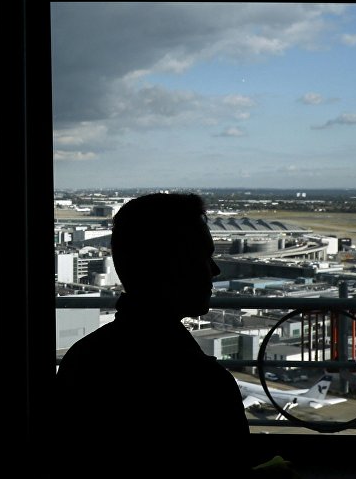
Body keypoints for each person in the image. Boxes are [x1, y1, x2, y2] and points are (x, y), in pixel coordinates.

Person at [53, 193, 251, 473]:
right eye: (204, 257)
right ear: (173, 267)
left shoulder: (81, 359)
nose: (216, 270)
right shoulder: (203, 384)